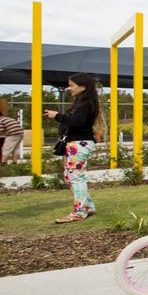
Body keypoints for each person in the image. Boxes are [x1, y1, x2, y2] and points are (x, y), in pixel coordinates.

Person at [44, 73, 103, 223]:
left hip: (79, 143)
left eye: (72, 85)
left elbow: (77, 121)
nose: (69, 88)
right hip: (74, 143)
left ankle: (80, 211)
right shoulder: (82, 102)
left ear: (83, 86)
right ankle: (88, 206)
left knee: (76, 178)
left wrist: (57, 116)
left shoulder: (86, 104)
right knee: (71, 177)